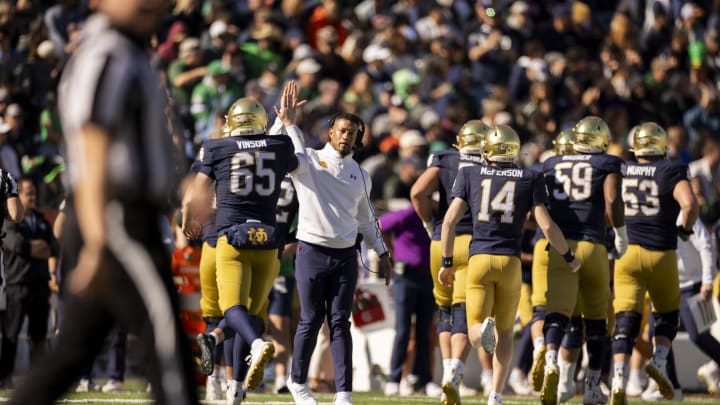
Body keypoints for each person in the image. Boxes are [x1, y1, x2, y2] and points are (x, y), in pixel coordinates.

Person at [7, 0, 200, 402]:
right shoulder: (107, 52)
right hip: (115, 217)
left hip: (122, 215)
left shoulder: (127, 49)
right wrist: (97, 240)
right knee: (168, 345)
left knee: (71, 354)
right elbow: (94, 148)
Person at [438, 125, 580, 405]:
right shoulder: (529, 177)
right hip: (511, 263)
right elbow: (547, 226)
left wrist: (447, 261)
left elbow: (449, 221)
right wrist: (569, 256)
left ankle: (467, 354)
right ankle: (496, 396)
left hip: (479, 258)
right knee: (505, 333)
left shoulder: (469, 172)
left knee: (474, 330)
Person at [281, 99, 393, 405]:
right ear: (330, 132)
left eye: (352, 133)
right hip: (312, 252)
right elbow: (291, 151)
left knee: (341, 322)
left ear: (358, 138)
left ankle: (344, 393)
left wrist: (382, 253)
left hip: (345, 257)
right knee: (310, 319)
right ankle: (298, 383)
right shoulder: (310, 161)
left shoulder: (361, 174)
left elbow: (366, 220)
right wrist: (288, 123)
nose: (346, 136)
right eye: (341, 130)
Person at [540, 116, 627, 405]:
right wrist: (620, 233)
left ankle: (551, 361)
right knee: (597, 321)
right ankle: (591, 386)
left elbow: (540, 205)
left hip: (561, 244)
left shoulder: (552, 163)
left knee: (557, 313)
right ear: (602, 140)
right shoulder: (607, 164)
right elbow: (612, 200)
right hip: (592, 245)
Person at [610, 122, 699, 405]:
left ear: (636, 146)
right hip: (661, 253)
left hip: (627, 254)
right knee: (666, 315)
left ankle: (618, 379)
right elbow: (690, 205)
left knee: (626, 318)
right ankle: (659, 363)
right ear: (661, 145)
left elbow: (609, 202)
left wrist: (616, 234)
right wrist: (684, 231)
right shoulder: (672, 170)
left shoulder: (621, 169)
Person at [410, 119, 492, 405]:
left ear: (460, 141)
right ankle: (455, 371)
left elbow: (418, 192)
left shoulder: (445, 159)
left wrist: (428, 221)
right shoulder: (494, 163)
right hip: (476, 243)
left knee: (443, 311)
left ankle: (446, 372)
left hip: (440, 241)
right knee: (463, 312)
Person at [0, 178, 55, 388]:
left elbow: (52, 247)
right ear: (17, 194)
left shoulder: (41, 220)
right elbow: (17, 246)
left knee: (39, 336)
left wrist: (36, 247)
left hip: (39, 283)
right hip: (17, 281)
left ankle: (37, 379)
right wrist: (36, 248)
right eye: (28, 193)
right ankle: (5, 377)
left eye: (34, 193)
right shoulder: (10, 218)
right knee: (11, 333)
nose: (32, 197)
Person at [379, 204, 435, 397]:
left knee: (424, 332)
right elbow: (380, 225)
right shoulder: (409, 213)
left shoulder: (437, 214)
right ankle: (394, 378)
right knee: (403, 330)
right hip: (406, 277)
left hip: (428, 277)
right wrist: (391, 251)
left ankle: (424, 380)